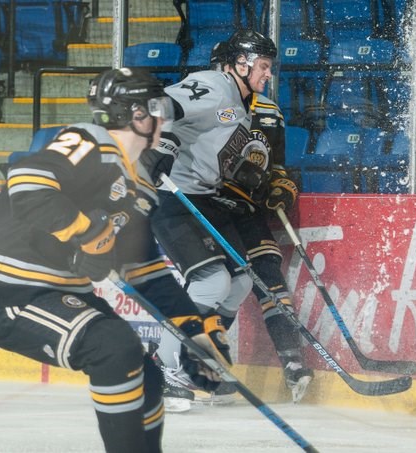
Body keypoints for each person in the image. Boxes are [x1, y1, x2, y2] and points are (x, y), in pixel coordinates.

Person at [0, 67, 232, 452]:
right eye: (157, 107)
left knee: (148, 378)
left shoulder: (137, 183)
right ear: (137, 115)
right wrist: (88, 232)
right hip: (14, 295)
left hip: (58, 292)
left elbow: (146, 270)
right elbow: (27, 180)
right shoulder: (90, 141)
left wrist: (193, 332)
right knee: (114, 346)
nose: (164, 117)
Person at [150, 29, 313, 413]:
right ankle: (165, 368)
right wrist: (158, 150)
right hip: (173, 197)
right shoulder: (214, 85)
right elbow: (157, 106)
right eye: (262, 65)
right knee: (210, 283)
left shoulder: (243, 106)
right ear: (237, 64)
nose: (267, 73)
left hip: (206, 199)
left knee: (240, 280)